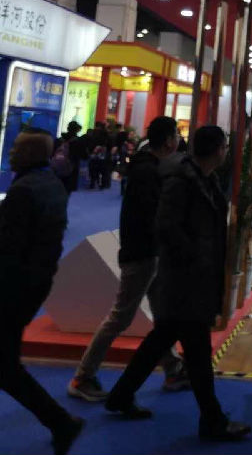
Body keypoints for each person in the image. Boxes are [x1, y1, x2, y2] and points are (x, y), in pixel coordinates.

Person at [106, 126, 251, 441]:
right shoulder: (183, 181)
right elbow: (167, 226)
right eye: (225, 147)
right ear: (217, 150)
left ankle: (120, 395)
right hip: (185, 280)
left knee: (161, 340)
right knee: (197, 352)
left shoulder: (203, 180)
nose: (226, 152)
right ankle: (212, 420)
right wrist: (194, 258)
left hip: (191, 278)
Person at [69, 116, 187, 402]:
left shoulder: (148, 166)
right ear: (168, 141)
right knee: (120, 317)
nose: (178, 140)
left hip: (149, 251)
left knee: (162, 314)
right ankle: (83, 376)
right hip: (142, 253)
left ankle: (173, 368)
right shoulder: (149, 172)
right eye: (176, 135)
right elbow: (150, 216)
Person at [0, 131, 84, 455]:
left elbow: (8, 249)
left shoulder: (23, 191)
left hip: (12, 289)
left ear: (32, 153)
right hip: (35, 284)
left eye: (18, 148)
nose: (11, 152)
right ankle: (60, 422)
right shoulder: (51, 184)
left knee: (6, 367)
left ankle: (61, 422)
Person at [57, 121, 87, 194]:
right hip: (73, 165)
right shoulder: (79, 141)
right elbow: (84, 155)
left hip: (59, 164)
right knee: (69, 187)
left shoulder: (59, 140)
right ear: (77, 130)